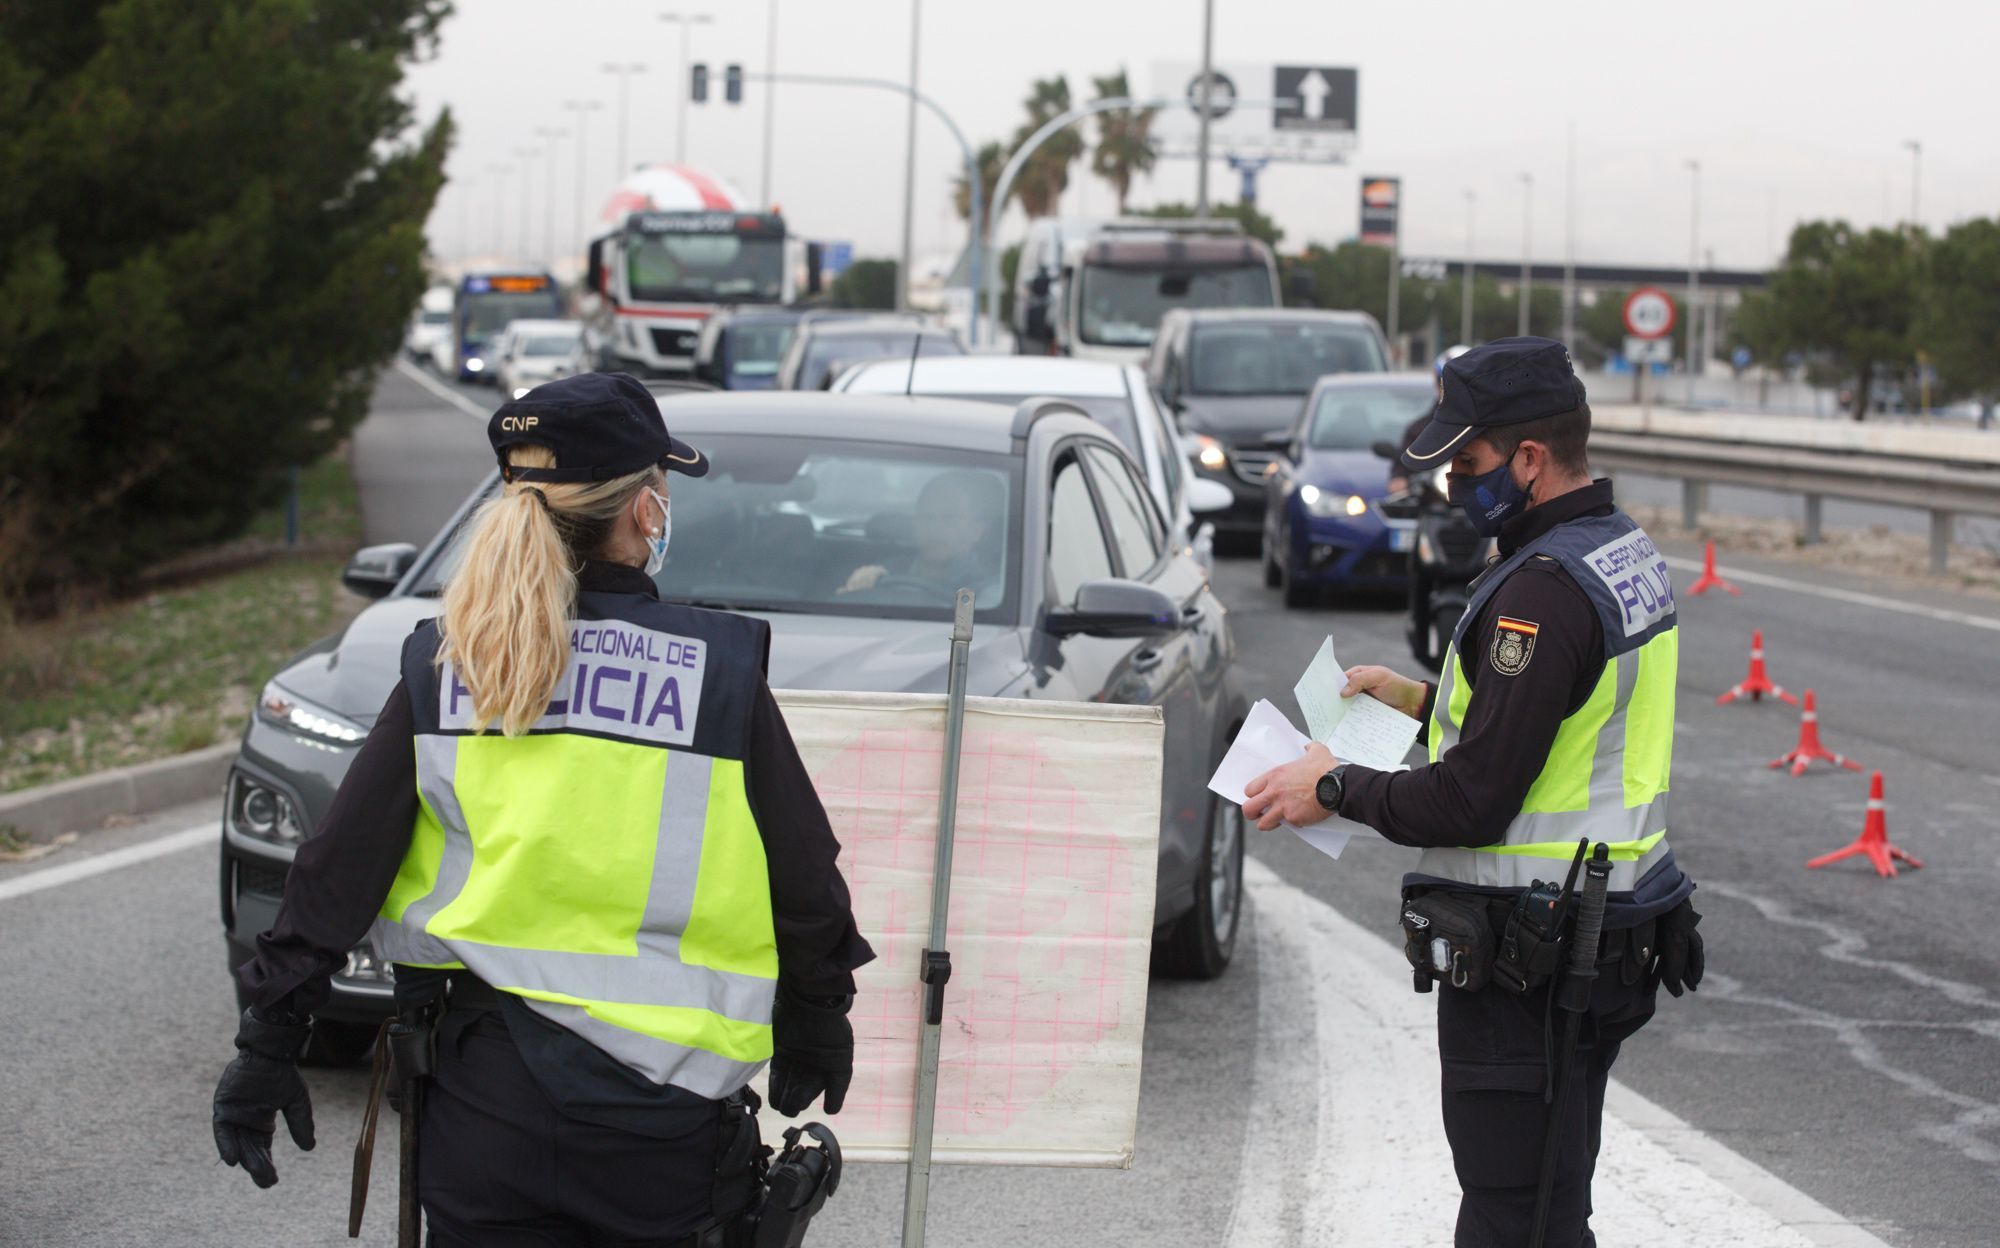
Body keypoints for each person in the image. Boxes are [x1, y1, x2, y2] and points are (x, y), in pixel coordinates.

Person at [211, 372, 874, 1245]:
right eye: (663, 488)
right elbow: (804, 877)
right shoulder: (715, 674)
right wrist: (819, 1017)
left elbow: (339, 866)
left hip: (483, 1110)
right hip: (660, 1122)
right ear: (644, 511)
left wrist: (270, 1035)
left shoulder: (448, 666)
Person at [1242, 337, 1704, 1248]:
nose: (1455, 479)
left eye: (1470, 460)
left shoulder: (1544, 591)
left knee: (1512, 1218)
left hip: (1533, 955)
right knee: (1550, 1202)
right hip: (1607, 930)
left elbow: (1474, 802)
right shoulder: (1618, 552)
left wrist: (1333, 786)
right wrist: (1414, 700)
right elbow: (1557, 734)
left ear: (1530, 458)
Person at [838, 470, 997, 598]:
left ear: (977, 531)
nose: (934, 527)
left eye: (949, 518)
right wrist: (855, 590)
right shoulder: (883, 573)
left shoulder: (991, 592)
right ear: (915, 523)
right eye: (926, 517)